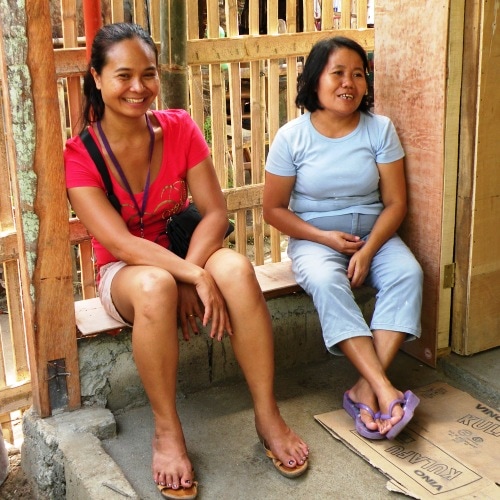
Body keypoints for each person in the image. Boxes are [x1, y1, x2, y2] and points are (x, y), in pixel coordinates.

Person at [64, 22, 309, 500]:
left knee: (236, 269)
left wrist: (189, 276)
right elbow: (121, 244)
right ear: (97, 77)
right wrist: (191, 276)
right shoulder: (81, 155)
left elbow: (215, 212)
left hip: (185, 253)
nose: (138, 87)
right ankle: (167, 432)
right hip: (125, 274)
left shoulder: (179, 128)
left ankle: (267, 414)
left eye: (148, 74)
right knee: (154, 284)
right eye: (123, 76)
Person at [263, 36, 423, 440]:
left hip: (375, 235)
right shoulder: (291, 137)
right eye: (337, 73)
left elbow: (396, 204)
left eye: (358, 74)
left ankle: (364, 389)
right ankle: (384, 389)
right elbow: (274, 210)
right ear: (315, 79)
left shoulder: (379, 130)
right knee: (325, 280)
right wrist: (324, 238)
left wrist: (368, 251)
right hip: (315, 239)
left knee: (408, 274)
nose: (348, 83)